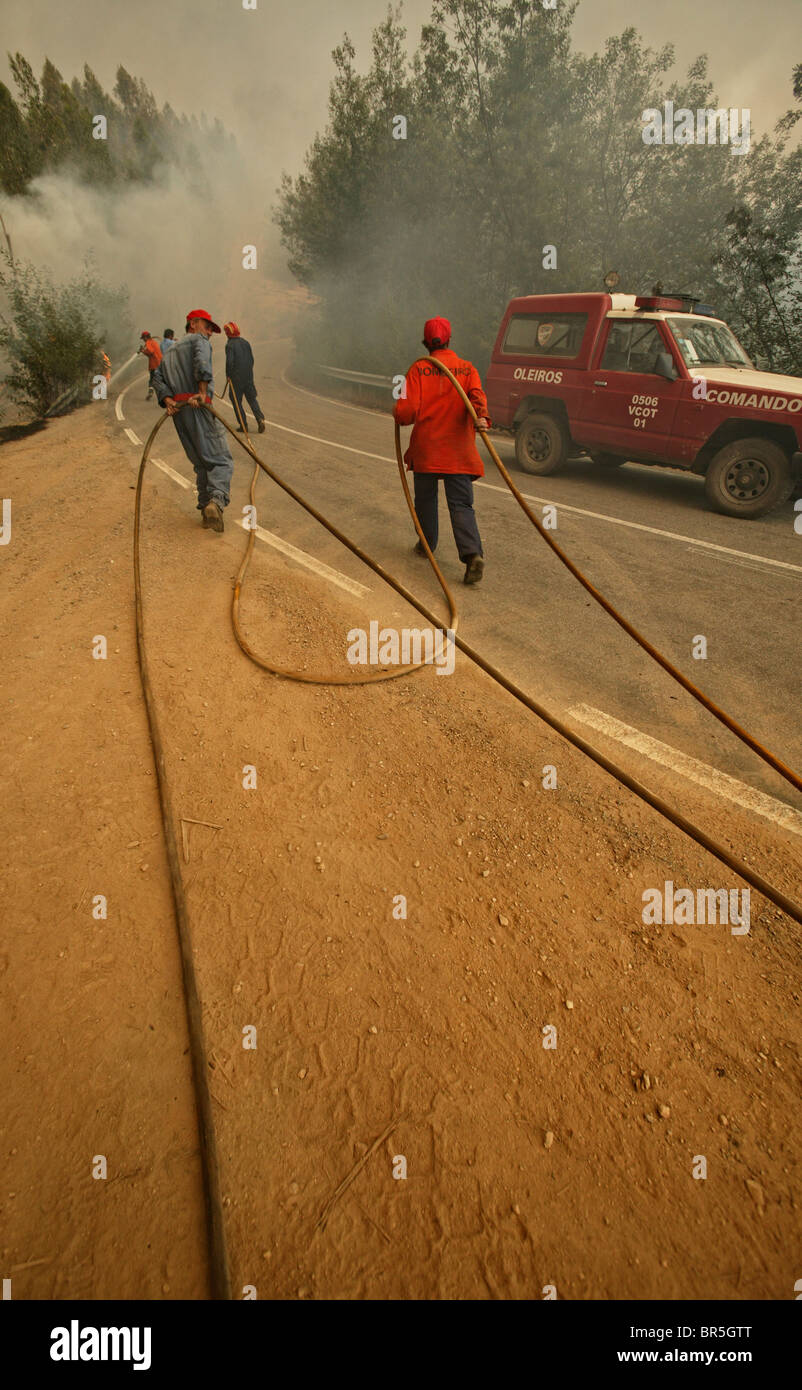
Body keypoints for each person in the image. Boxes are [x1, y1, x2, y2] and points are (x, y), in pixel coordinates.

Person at [393, 316, 490, 585]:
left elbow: (405, 412)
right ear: (449, 339)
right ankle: (472, 556)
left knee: (425, 500)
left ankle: (426, 544)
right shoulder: (467, 368)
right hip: (458, 452)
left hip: (427, 450)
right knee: (461, 504)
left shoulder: (417, 370)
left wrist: (398, 412)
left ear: (426, 342)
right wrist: (481, 417)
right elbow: (477, 398)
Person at [151, 309, 234, 534]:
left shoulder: (169, 350)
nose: (210, 333)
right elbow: (201, 363)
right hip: (199, 408)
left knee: (201, 463)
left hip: (180, 413)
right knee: (220, 460)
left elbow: (156, 377)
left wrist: (168, 399)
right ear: (194, 324)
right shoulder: (199, 340)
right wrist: (201, 391)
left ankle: (206, 512)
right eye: (208, 327)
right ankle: (215, 503)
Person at [223, 322, 266, 433]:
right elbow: (251, 360)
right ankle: (260, 418)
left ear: (228, 334)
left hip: (236, 379)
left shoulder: (230, 345)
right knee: (252, 399)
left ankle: (243, 425)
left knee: (236, 401)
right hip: (248, 377)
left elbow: (229, 362)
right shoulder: (246, 343)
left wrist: (228, 375)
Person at [138, 331, 162, 400]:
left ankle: (151, 392)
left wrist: (143, 351)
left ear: (146, 337)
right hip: (160, 363)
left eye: (143, 338)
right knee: (159, 379)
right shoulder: (153, 342)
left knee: (152, 380)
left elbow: (151, 351)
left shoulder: (148, 342)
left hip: (154, 364)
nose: (143, 340)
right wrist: (144, 351)